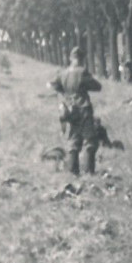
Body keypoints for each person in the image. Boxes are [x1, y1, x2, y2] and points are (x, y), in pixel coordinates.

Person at [47, 46, 102, 176]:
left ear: (71, 58)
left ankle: (73, 171)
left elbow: (50, 85)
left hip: (70, 110)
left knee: (73, 139)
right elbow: (97, 87)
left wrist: (64, 93)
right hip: (83, 108)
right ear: (82, 59)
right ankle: (89, 172)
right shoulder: (83, 72)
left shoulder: (63, 73)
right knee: (90, 139)